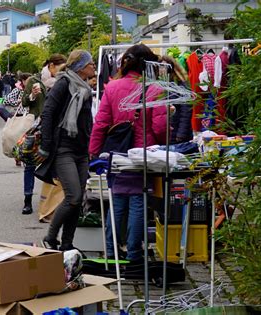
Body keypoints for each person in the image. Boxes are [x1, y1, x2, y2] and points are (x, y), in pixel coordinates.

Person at [89, 44, 168, 262]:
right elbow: (160, 127)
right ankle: (134, 253)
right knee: (138, 204)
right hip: (143, 156)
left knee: (117, 204)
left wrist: (94, 152)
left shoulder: (112, 87)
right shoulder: (155, 89)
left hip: (116, 155)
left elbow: (101, 123)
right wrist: (164, 145)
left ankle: (112, 252)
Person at [36, 50, 95, 251]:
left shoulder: (85, 88)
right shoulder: (64, 84)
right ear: (80, 66)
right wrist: (45, 145)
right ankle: (51, 237)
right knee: (73, 196)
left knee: (78, 202)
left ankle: (68, 243)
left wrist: (92, 145)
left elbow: (88, 120)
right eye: (91, 64)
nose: (94, 67)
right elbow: (48, 112)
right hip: (63, 149)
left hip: (81, 150)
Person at [19, 54, 67, 215]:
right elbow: (25, 101)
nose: (62, 69)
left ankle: (52, 202)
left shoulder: (64, 81)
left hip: (55, 127)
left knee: (56, 163)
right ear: (52, 66)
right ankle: (27, 200)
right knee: (30, 163)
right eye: (60, 66)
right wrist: (32, 94)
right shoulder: (35, 80)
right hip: (36, 126)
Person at [160, 55, 193, 143]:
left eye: (163, 66)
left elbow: (186, 111)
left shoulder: (180, 85)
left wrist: (181, 134)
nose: (161, 69)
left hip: (177, 133)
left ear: (170, 68)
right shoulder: (161, 84)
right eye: (160, 66)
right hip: (166, 132)